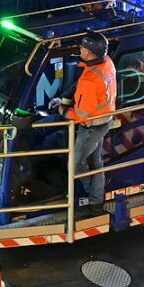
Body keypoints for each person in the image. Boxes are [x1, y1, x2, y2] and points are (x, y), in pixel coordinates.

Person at [49, 32, 116, 217]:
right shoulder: (106, 62)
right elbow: (81, 86)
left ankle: (94, 199)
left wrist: (61, 110)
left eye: (82, 48)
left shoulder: (90, 81)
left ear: (89, 53)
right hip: (105, 119)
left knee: (76, 164)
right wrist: (64, 98)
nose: (80, 49)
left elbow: (80, 116)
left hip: (91, 126)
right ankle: (96, 197)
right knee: (95, 162)